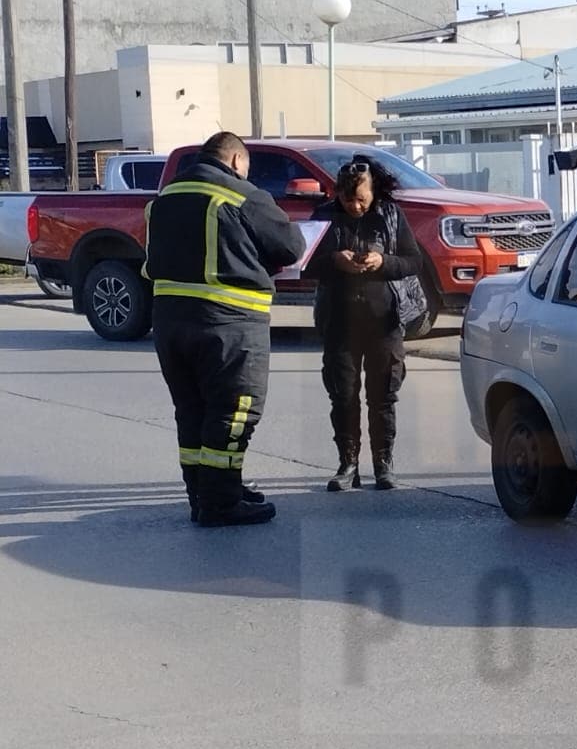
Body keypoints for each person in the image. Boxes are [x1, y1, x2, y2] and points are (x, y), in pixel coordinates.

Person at [144, 131, 304, 527]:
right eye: (245, 166)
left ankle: (207, 492)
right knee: (234, 414)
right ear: (235, 160)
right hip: (229, 323)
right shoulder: (241, 195)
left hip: (169, 322)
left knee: (192, 413)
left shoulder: (165, 198)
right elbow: (291, 247)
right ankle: (220, 504)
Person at [307, 160, 429, 492]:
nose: (356, 206)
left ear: (373, 191)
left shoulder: (390, 214)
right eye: (348, 201)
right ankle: (348, 465)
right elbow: (303, 265)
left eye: (361, 199)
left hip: (384, 320)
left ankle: (383, 464)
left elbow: (413, 261)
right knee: (343, 396)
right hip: (339, 322)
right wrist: (334, 260)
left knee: (383, 396)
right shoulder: (324, 216)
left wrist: (383, 262)